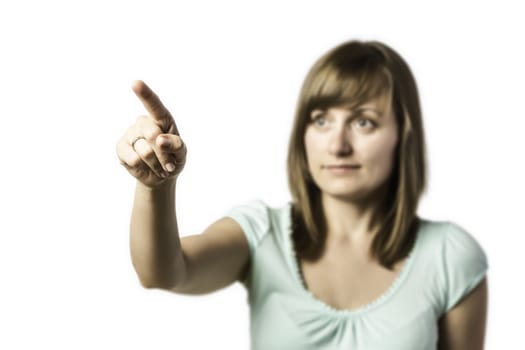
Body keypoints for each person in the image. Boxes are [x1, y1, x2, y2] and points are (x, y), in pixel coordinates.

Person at [116, 40, 488, 349]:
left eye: (363, 122)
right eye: (321, 120)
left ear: (403, 135)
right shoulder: (262, 234)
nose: (338, 144)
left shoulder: (450, 257)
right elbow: (161, 273)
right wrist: (157, 185)